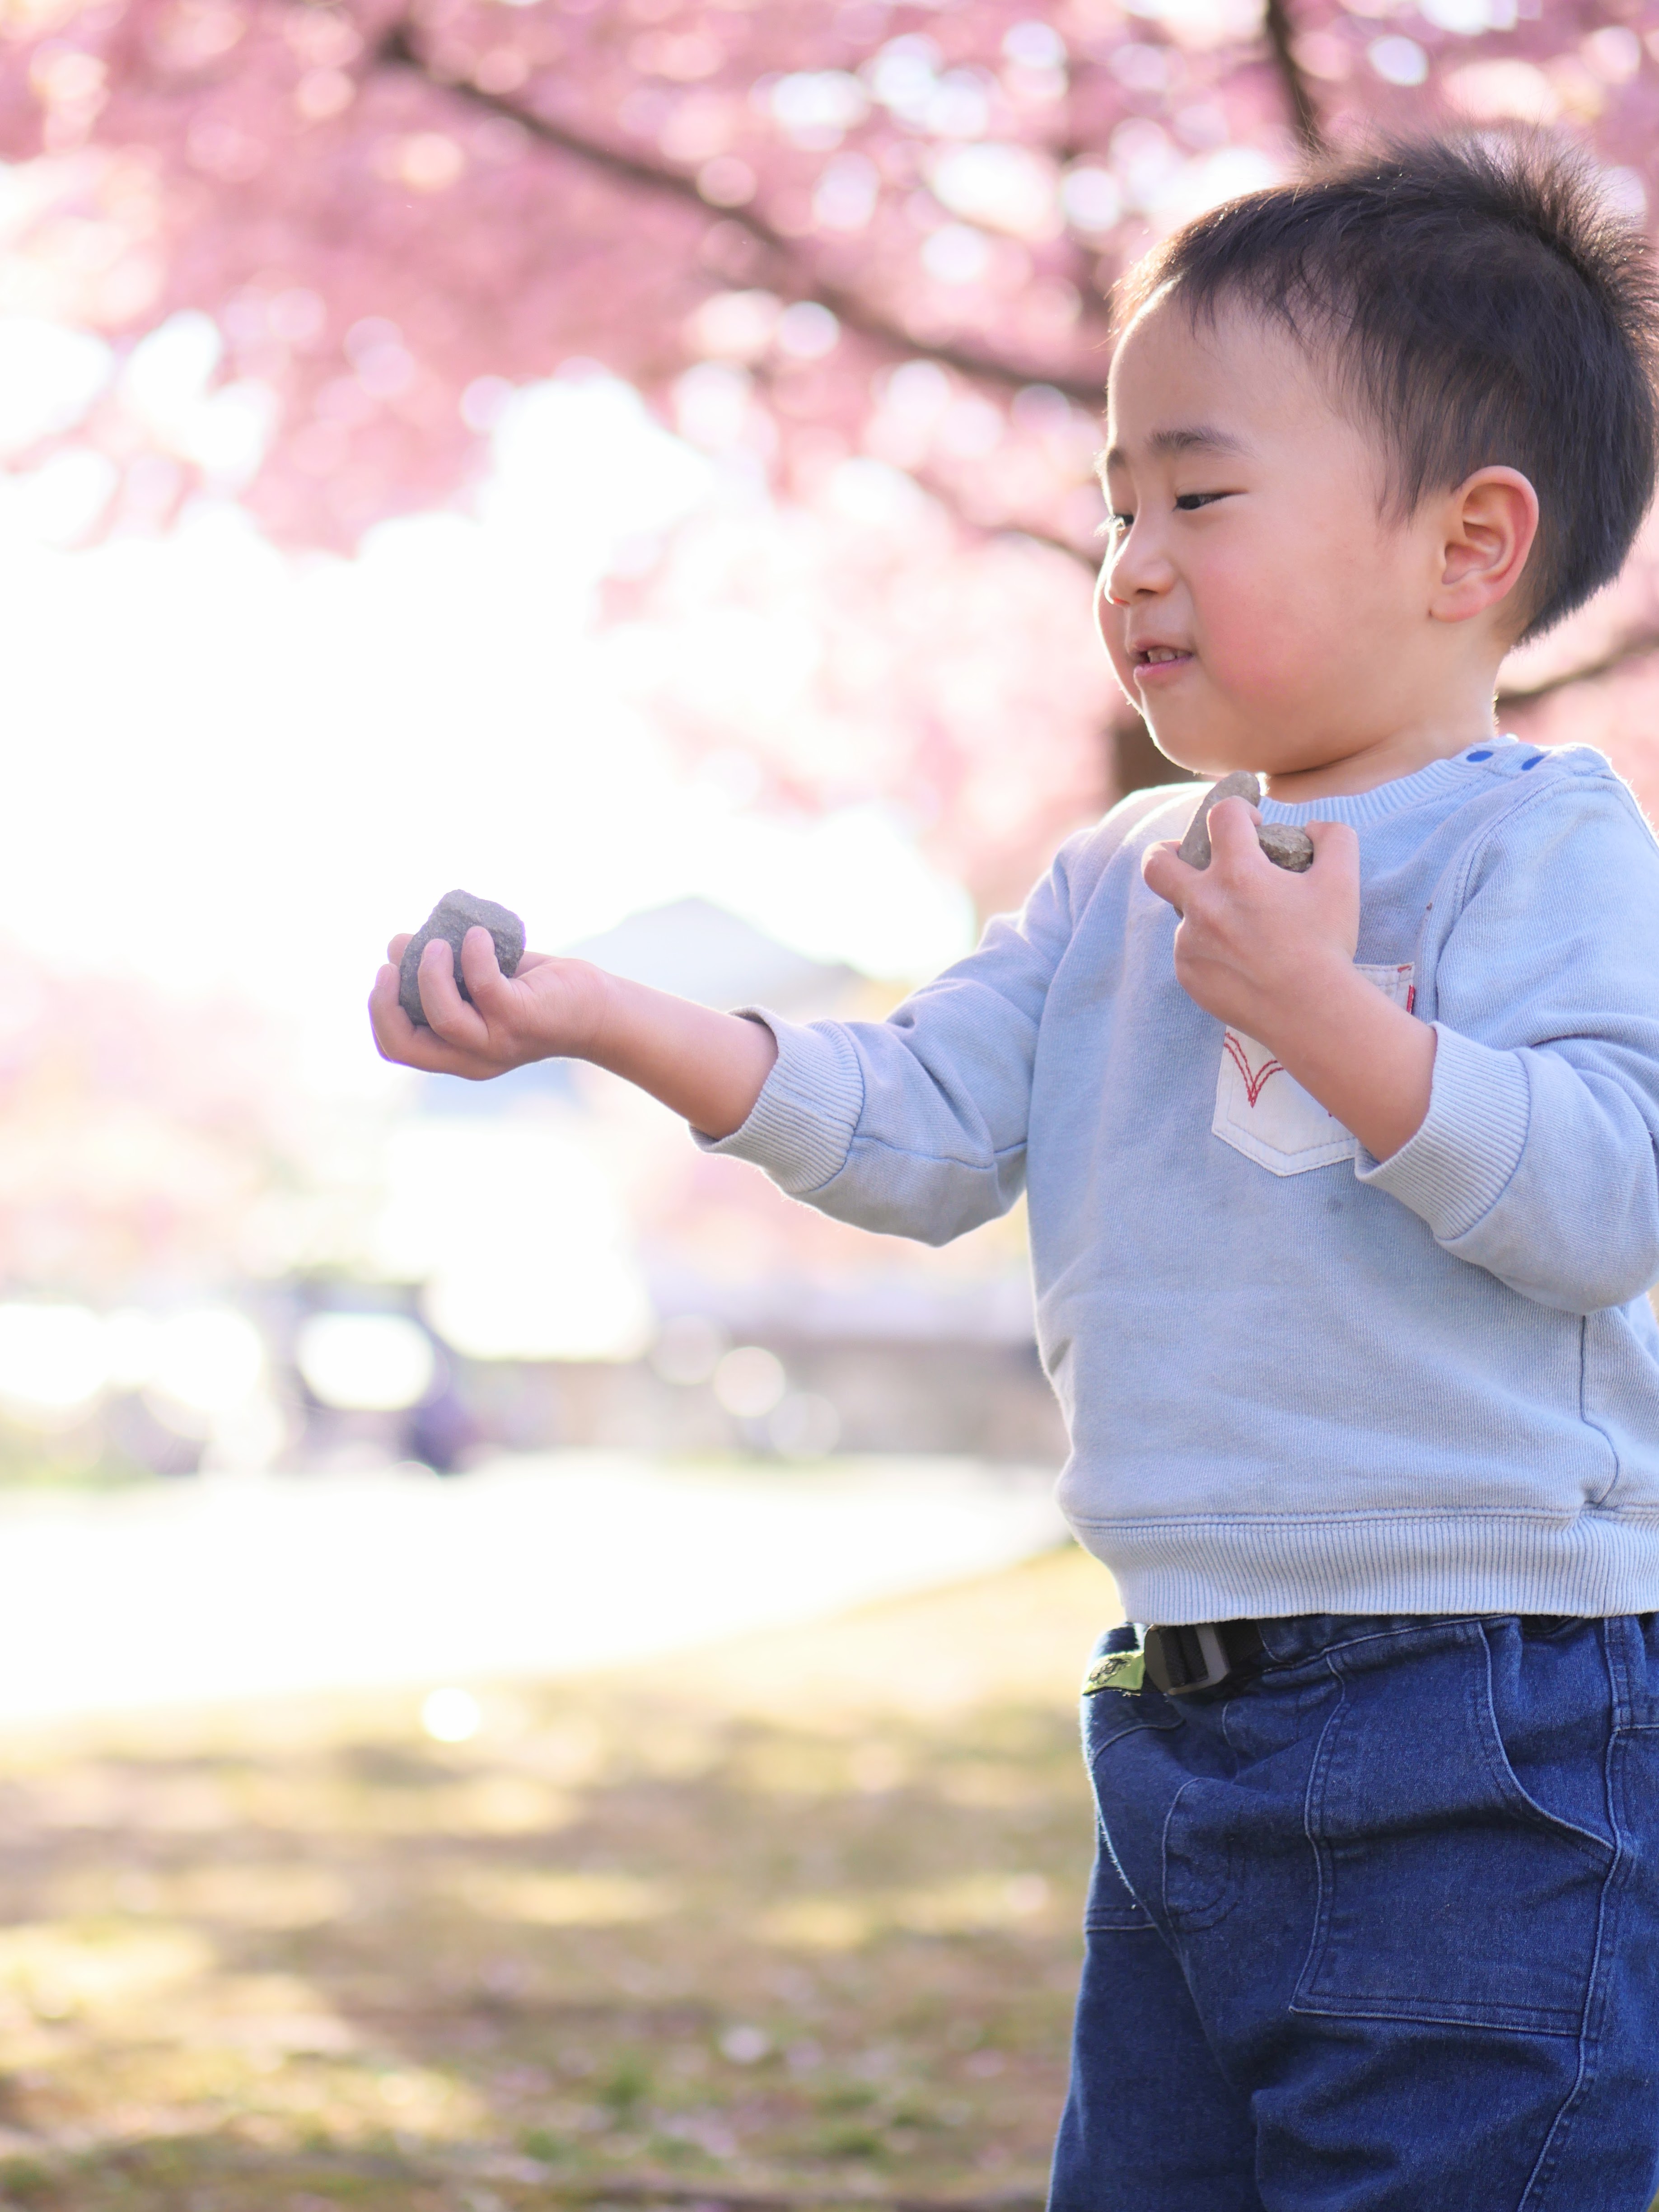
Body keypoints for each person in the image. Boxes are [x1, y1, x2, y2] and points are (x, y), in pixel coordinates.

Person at [371, 132, 1659, 2210]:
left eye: (1200, 493)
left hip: (1483, 1701)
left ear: (1468, 544)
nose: (1132, 559)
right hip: (1179, 1700)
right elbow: (915, 1128)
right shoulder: (1111, 883)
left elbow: (1609, 1203)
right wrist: (604, 1014)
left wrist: (1344, 1026)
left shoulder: (1546, 845)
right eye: (1114, 504)